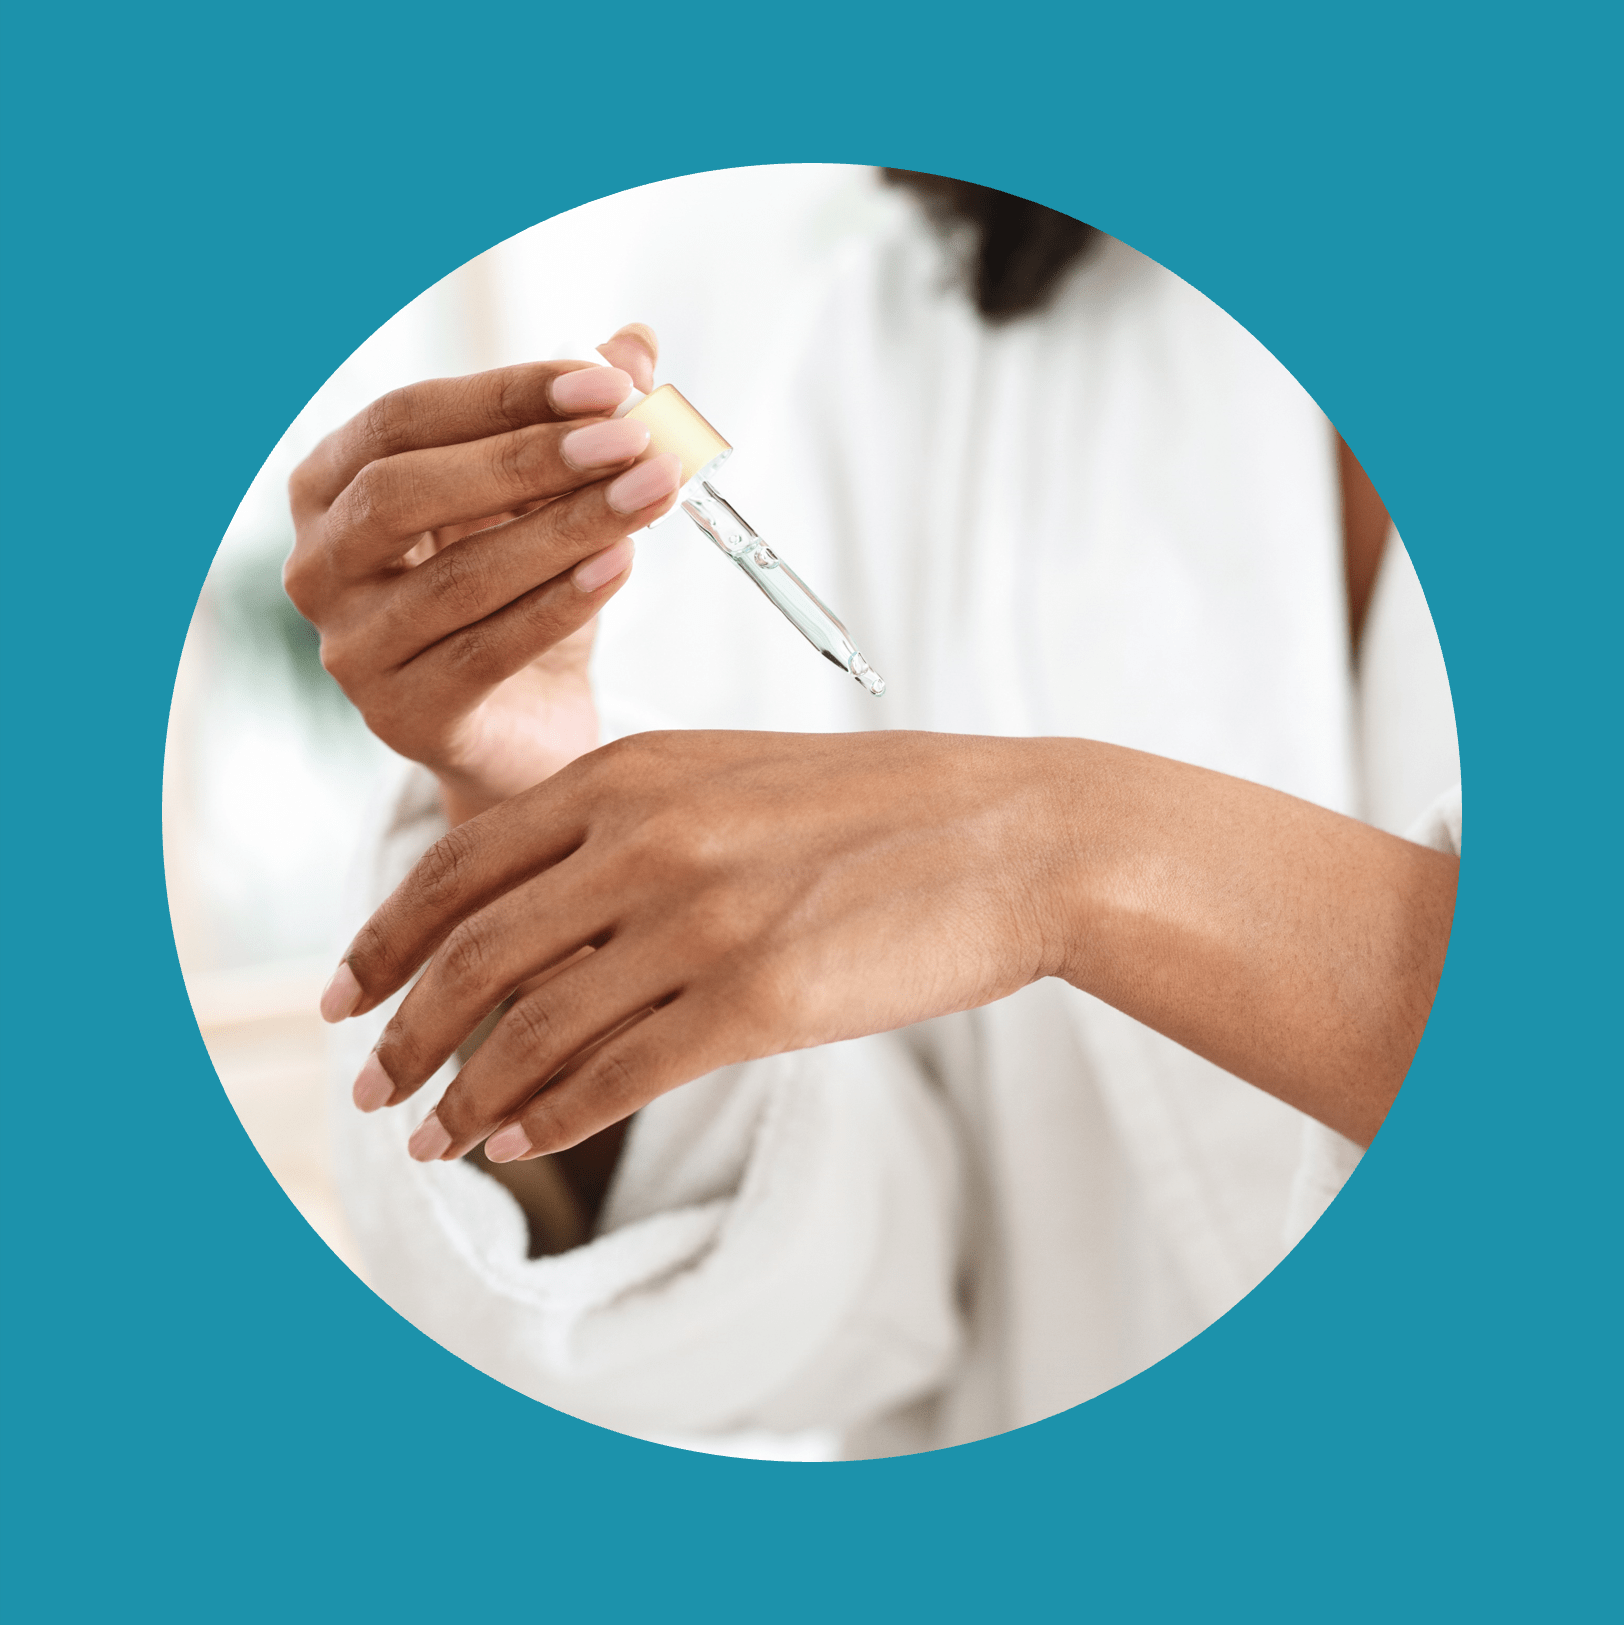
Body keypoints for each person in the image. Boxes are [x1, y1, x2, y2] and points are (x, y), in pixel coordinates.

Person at [285, 167, 1459, 1456]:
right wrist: (545, 822)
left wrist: (1071, 848)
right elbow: (838, 1288)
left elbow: (1009, 846)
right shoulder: (928, 330)